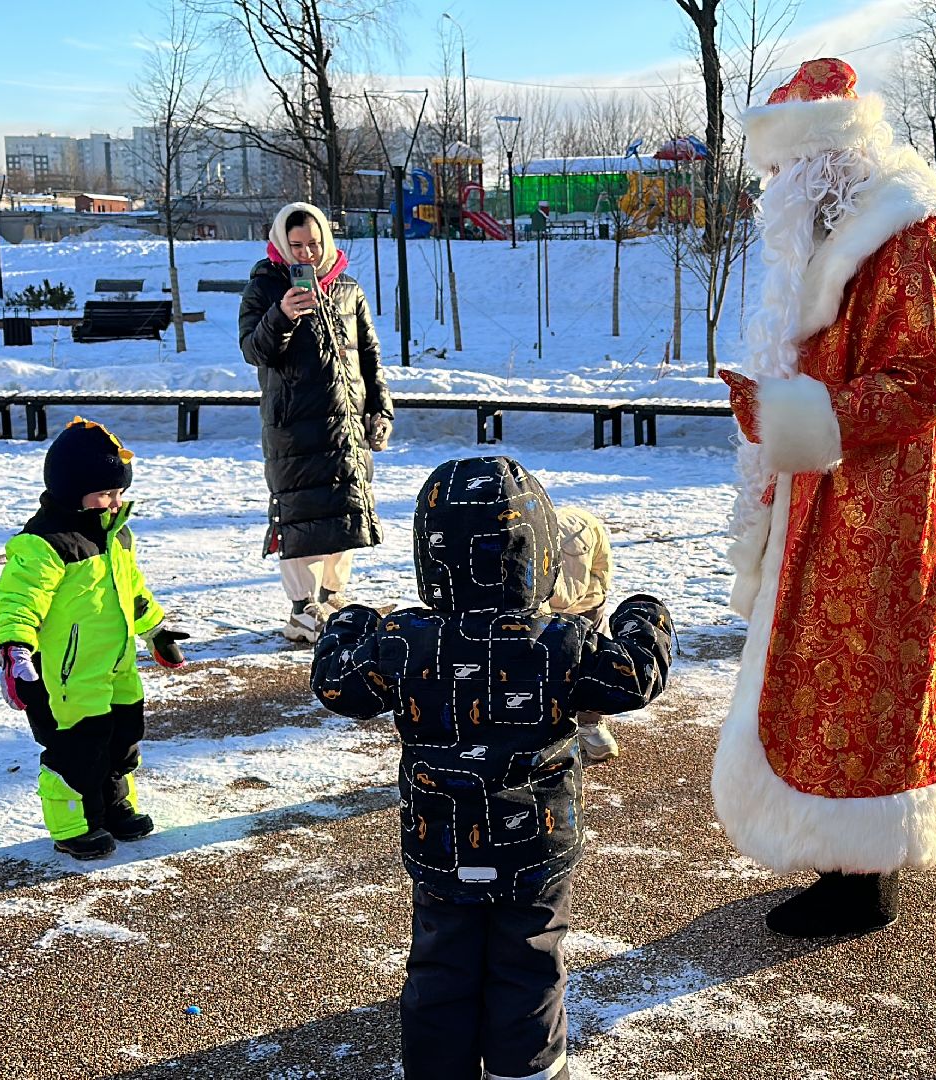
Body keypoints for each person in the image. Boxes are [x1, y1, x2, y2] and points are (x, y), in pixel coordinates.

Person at [713, 57, 936, 939]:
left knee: (870, 678)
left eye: (783, 170)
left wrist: (791, 411)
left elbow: (921, 383)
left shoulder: (908, 234)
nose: (775, 188)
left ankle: (864, 874)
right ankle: (845, 856)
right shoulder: (844, 233)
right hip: (836, 493)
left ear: (826, 160)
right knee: (830, 677)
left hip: (887, 502)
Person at [310, 456, 674, 1080]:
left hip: (440, 843)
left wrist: (349, 623)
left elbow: (339, 685)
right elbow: (636, 677)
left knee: (441, 962)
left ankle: (437, 1067)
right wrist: (643, 617)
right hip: (537, 846)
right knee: (528, 960)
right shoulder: (562, 641)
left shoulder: (406, 640)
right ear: (539, 555)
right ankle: (525, 1069)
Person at [0, 418, 189, 861]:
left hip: (117, 667)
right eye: (105, 493)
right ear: (71, 488)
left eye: (118, 493)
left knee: (122, 740)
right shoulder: (43, 545)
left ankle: (115, 807)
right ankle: (75, 826)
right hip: (67, 676)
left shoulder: (116, 535)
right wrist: (15, 649)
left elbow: (133, 590)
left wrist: (155, 630)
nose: (115, 501)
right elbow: (17, 601)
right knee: (78, 749)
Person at [239, 201, 393, 644]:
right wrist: (281, 316)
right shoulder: (265, 287)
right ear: (281, 244)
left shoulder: (347, 287)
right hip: (295, 425)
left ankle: (331, 596)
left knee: (343, 509)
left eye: (313, 243)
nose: (306, 254)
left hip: (346, 422)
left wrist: (380, 410)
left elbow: (370, 358)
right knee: (301, 514)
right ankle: (301, 608)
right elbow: (254, 350)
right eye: (296, 245)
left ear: (326, 239)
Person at [545, 505, 621, 763]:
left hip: (583, 604)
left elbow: (601, 565)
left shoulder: (582, 530)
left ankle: (589, 721)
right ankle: (576, 722)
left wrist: (596, 596)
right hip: (569, 600)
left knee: (587, 659)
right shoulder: (537, 532)